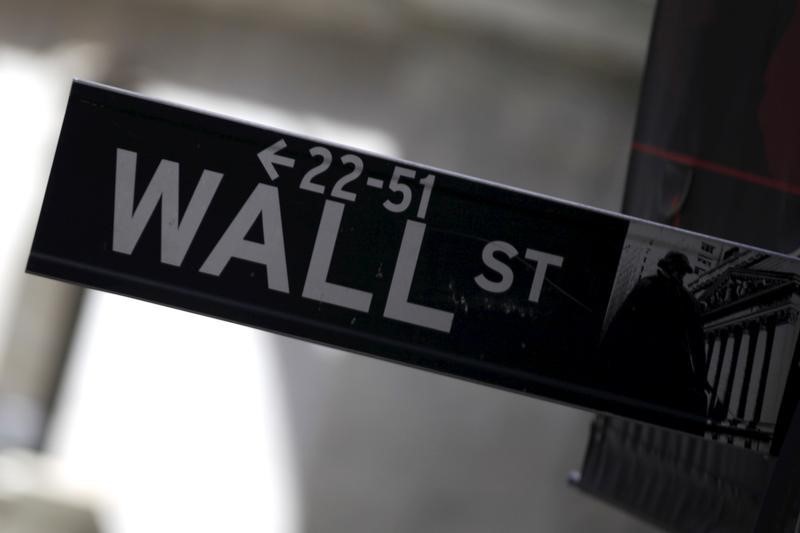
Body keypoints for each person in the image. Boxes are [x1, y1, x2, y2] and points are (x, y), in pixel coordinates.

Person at [600, 251, 708, 418]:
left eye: (683, 273)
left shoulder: (683, 297)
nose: (681, 277)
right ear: (669, 268)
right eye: (679, 271)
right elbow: (621, 323)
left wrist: (700, 378)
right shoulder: (649, 287)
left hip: (665, 371)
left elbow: (697, 340)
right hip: (648, 367)